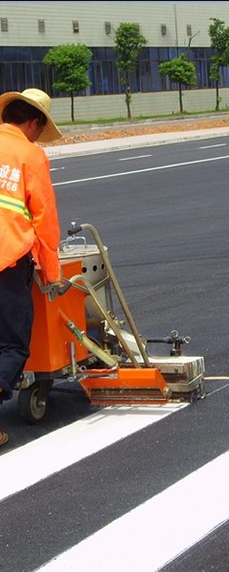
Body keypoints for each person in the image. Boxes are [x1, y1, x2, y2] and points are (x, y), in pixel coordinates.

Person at [0, 88, 63, 445]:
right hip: (6, 261)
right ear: (35, 123)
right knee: (11, 347)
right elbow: (45, 220)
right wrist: (51, 273)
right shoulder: (30, 155)